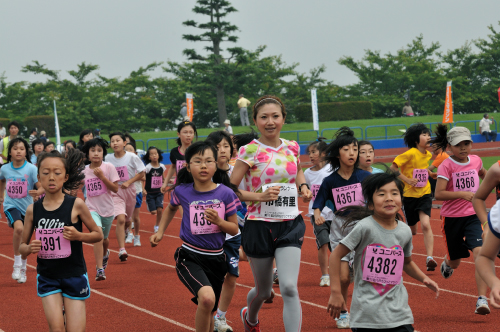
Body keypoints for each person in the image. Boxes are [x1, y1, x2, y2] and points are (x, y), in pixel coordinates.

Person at [230, 95, 312, 331]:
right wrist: (259, 197)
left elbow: (297, 171)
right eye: (264, 117)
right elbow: (231, 190)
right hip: (258, 225)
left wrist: (303, 187)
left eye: (275, 116)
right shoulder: (250, 150)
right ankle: (251, 317)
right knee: (265, 291)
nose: (270, 121)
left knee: (288, 287)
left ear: (283, 119)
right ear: (255, 121)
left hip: (289, 222)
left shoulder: (292, 147)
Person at [327, 171, 439, 331]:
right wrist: (336, 292)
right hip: (367, 315)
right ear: (371, 204)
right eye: (381, 194)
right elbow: (336, 256)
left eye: (394, 193)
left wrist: (424, 278)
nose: (389, 198)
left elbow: (406, 262)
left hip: (399, 313)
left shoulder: (405, 231)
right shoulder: (364, 227)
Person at [150, 141, 241, 332]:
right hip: (190, 256)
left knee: (209, 307)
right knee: (207, 298)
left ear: (216, 165)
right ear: (188, 167)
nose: (203, 165)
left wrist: (219, 221)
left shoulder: (226, 194)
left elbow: (233, 229)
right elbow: (171, 208)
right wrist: (160, 232)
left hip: (217, 259)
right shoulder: (182, 191)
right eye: (197, 161)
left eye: (209, 161)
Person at [19, 149, 102, 332]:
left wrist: (79, 236)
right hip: (48, 276)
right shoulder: (33, 210)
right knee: (56, 329)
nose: (51, 177)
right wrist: (29, 248)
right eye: (45, 173)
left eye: (57, 173)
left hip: (74, 274)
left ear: (65, 177)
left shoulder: (76, 204)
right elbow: (22, 247)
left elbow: (98, 235)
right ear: (38, 176)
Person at [313, 127, 372, 329]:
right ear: (338, 153)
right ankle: (344, 311)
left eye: (355, 149)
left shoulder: (365, 177)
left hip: (363, 228)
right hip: (340, 229)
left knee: (365, 276)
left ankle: (363, 310)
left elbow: (375, 200)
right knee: (345, 276)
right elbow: (318, 202)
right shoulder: (330, 181)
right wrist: (318, 215)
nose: (352, 153)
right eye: (347, 149)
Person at [431, 124, 490, 314]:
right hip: (452, 219)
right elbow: (438, 194)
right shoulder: (446, 165)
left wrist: (492, 181)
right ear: (449, 146)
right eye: (458, 145)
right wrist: (461, 194)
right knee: (456, 261)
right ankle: (448, 263)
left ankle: (482, 299)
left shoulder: (476, 160)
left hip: (473, 215)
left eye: (467, 143)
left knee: (480, 252)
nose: (463, 148)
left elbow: (484, 175)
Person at [205, 131, 241, 332]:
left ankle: (221, 316)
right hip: (210, 235)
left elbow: (240, 194)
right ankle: (208, 313)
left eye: (226, 146)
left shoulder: (237, 170)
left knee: (232, 276)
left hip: (232, 233)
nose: (222, 150)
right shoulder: (205, 172)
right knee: (213, 278)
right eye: (217, 147)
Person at [390, 123, 437, 271]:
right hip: (409, 195)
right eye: (424, 134)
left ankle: (430, 258)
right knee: (412, 231)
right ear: (416, 140)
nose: (429, 137)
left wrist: (430, 174)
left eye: (429, 134)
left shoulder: (428, 154)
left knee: (426, 224)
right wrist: (407, 180)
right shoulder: (409, 153)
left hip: (424, 193)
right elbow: (393, 168)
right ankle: (396, 249)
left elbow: (422, 169)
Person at [0, 137, 44, 283]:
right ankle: (17, 263)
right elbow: (1, 180)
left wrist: (38, 193)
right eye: (15, 148)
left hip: (28, 209)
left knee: (25, 240)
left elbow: (41, 186)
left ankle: (23, 268)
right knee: (18, 229)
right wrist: (1, 195)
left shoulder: (31, 168)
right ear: (10, 152)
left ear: (26, 152)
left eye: (21, 148)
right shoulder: (4, 168)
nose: (18, 151)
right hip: (10, 205)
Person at [82, 138, 120, 281]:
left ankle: (105, 254)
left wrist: (102, 177)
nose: (96, 153)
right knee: (97, 234)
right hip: (91, 208)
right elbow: (74, 186)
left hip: (108, 209)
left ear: (103, 152)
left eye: (99, 150)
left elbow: (115, 189)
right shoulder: (84, 171)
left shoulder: (109, 167)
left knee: (104, 239)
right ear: (87, 154)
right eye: (93, 151)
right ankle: (99, 269)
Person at [105, 132, 145, 261]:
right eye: (112, 141)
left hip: (129, 191)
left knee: (128, 220)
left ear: (124, 143)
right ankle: (122, 250)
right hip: (115, 192)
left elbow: (142, 172)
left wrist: (129, 182)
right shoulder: (107, 158)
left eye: (118, 140)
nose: (115, 143)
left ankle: (128, 230)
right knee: (121, 219)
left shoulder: (131, 157)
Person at [303, 138, 334, 287]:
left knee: (336, 245)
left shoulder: (332, 169)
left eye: (313, 152)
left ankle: (338, 271)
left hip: (334, 213)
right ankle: (325, 275)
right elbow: (305, 194)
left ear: (323, 153)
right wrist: (306, 195)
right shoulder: (307, 173)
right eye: (309, 153)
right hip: (317, 214)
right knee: (323, 243)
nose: (310, 156)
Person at [160, 121, 197, 198]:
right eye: (185, 132)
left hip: (195, 186)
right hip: (179, 186)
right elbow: (173, 167)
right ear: (178, 134)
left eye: (191, 132)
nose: (188, 135)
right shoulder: (174, 152)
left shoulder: (197, 151)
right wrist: (165, 183)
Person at [143, 147, 167, 237]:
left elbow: (163, 178)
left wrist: (167, 182)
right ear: (149, 157)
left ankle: (157, 225)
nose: (154, 155)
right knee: (153, 212)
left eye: (156, 153)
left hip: (159, 192)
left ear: (158, 155)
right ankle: (150, 205)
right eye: (152, 154)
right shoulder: (148, 168)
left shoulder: (162, 167)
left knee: (160, 209)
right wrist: (143, 189)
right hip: (150, 192)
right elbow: (143, 179)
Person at [125, 142, 145, 246]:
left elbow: (144, 177)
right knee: (127, 217)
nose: (128, 151)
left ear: (135, 152)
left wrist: (134, 177)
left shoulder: (138, 163)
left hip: (136, 192)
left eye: (130, 149)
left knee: (135, 217)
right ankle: (129, 233)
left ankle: (137, 236)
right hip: (125, 192)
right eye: (126, 150)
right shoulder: (122, 164)